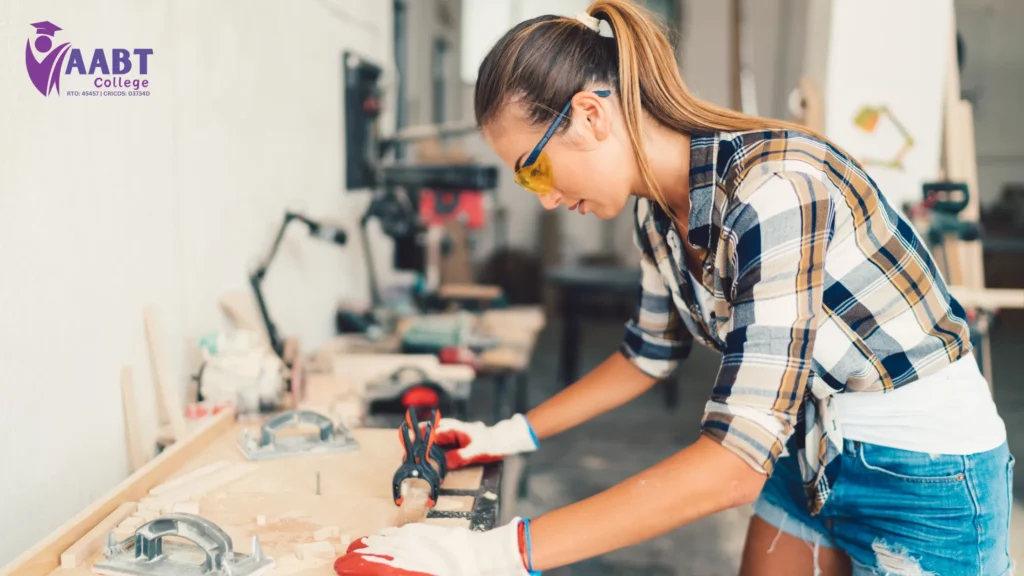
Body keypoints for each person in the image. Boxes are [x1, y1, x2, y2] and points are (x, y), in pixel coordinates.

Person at [334, 1, 1014, 574]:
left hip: (925, 471)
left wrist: (494, 554)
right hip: (805, 437)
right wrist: (505, 434)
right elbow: (647, 354)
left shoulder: (775, 191)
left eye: (533, 172)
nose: (541, 200)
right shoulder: (655, 210)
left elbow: (731, 467)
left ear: (592, 117)